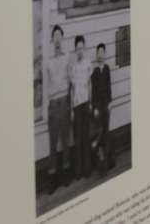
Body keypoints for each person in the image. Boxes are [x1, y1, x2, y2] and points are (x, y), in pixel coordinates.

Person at [44, 25, 71, 192]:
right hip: (53, 104)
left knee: (66, 142)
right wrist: (46, 109)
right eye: (55, 36)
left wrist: (70, 104)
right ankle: (52, 179)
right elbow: (46, 85)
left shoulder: (67, 57)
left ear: (62, 38)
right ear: (52, 39)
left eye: (60, 36)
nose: (57, 39)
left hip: (65, 102)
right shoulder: (48, 61)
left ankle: (66, 174)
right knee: (53, 143)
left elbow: (70, 80)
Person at [69, 35, 93, 180]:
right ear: (75, 49)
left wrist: (90, 102)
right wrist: (71, 109)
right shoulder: (73, 67)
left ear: (84, 48)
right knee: (77, 139)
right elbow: (71, 90)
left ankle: (87, 169)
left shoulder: (88, 64)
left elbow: (90, 84)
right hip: (77, 106)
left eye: (81, 48)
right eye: (77, 48)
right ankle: (78, 172)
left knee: (86, 136)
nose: (79, 51)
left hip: (86, 105)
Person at [90, 43, 113, 175]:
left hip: (106, 104)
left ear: (104, 54)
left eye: (102, 52)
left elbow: (109, 86)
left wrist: (110, 102)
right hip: (98, 106)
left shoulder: (107, 69)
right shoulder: (95, 71)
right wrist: (94, 107)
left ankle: (107, 162)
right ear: (96, 54)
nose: (100, 54)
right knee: (99, 132)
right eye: (98, 52)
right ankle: (100, 162)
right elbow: (93, 91)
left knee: (106, 132)